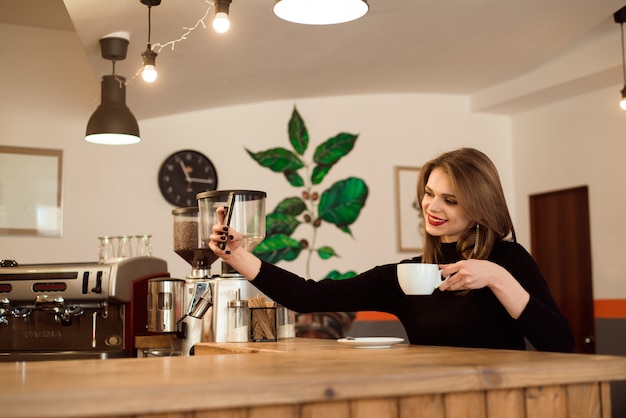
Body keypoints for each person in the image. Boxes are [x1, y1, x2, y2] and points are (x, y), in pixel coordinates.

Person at [208, 148, 574, 353]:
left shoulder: (509, 261)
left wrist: (495, 277)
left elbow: (559, 344)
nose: (433, 207)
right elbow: (308, 296)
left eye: (450, 200)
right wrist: (238, 255)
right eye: (430, 194)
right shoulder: (408, 276)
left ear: (479, 206)